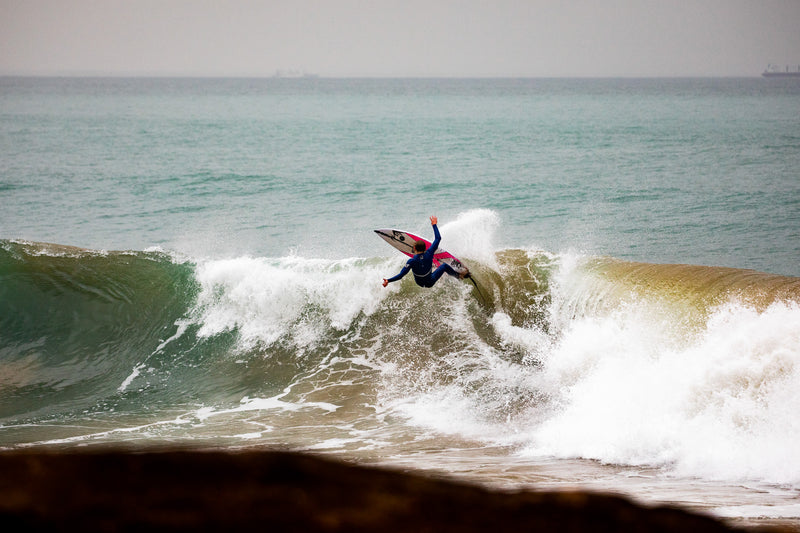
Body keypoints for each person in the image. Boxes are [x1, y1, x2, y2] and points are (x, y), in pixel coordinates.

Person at [382, 216, 467, 288]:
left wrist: (388, 281)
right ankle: (458, 276)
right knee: (444, 266)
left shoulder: (411, 261)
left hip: (420, 283)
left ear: (414, 248)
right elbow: (438, 238)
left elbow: (401, 275)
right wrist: (434, 224)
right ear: (425, 248)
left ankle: (431, 266)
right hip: (431, 281)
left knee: (422, 267)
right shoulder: (429, 253)